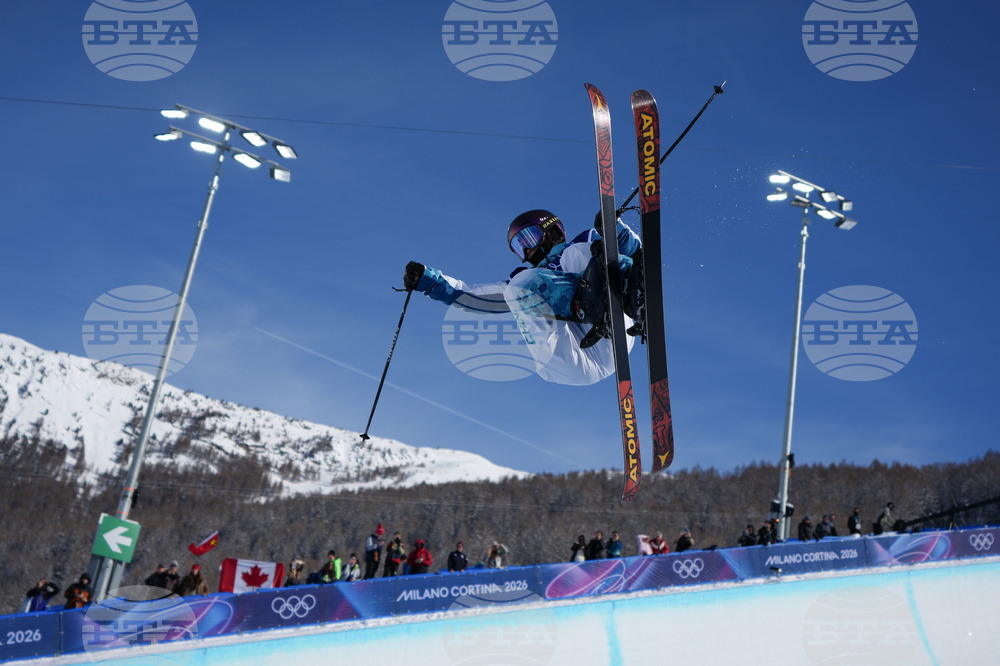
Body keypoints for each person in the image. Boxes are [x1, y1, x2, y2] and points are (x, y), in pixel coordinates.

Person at [402, 210, 644, 385]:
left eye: (527, 239)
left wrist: (614, 231)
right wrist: (429, 282)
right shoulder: (526, 279)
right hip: (570, 363)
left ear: (552, 230)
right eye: (519, 248)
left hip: (615, 330)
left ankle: (633, 296)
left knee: (579, 252)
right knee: (518, 288)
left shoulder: (583, 241)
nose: (527, 251)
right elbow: (474, 297)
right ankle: (594, 304)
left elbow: (634, 249)